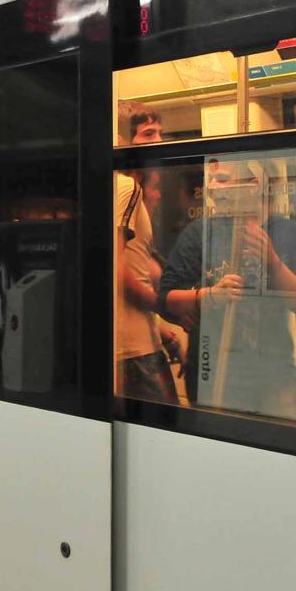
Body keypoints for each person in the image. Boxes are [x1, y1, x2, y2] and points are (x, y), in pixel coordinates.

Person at [158, 159, 296, 422]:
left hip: (274, 374)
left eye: (222, 179)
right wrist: (209, 297)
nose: (212, 187)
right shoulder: (200, 233)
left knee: (278, 450)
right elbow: (165, 299)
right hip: (212, 373)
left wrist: (273, 262)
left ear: (254, 185)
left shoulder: (292, 233)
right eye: (210, 180)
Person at [114, 103, 181, 401]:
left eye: (160, 134)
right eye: (148, 134)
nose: (158, 142)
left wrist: (161, 327)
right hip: (133, 346)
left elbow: (137, 263)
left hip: (139, 336)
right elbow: (116, 269)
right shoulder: (126, 187)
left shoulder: (123, 186)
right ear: (123, 142)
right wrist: (163, 305)